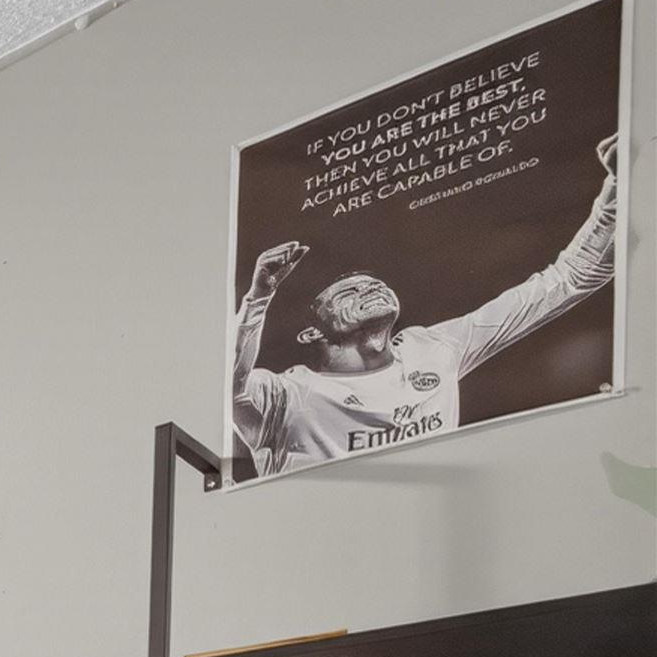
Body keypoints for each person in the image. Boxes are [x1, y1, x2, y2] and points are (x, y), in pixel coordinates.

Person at [233, 137, 618, 475]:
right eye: (349, 292)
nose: (371, 289)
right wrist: (259, 297)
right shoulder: (286, 394)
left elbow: (567, 280)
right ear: (311, 332)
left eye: (375, 284)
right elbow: (226, 387)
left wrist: (614, 194)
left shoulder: (431, 349)